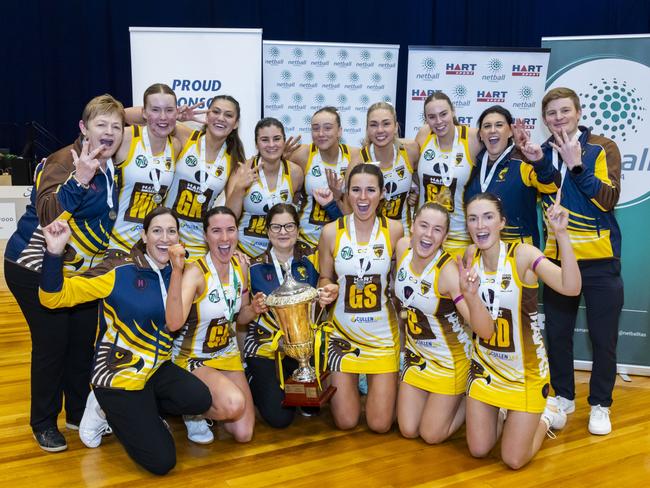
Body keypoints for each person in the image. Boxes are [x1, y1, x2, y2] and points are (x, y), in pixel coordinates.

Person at [39, 207, 212, 475]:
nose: (164, 238)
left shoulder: (181, 272)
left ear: (180, 238)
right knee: (162, 461)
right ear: (144, 235)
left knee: (199, 398)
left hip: (156, 369)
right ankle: (103, 405)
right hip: (118, 375)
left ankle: (140, 413)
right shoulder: (118, 270)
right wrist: (53, 253)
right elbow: (53, 298)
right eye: (156, 231)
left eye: (171, 231)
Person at [3, 94, 124, 452]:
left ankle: (76, 413)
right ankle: (43, 422)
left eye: (116, 127)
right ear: (83, 129)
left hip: (79, 276)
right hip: (35, 267)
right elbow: (46, 214)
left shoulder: (110, 163)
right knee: (52, 345)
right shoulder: (62, 161)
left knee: (81, 345)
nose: (109, 132)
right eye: (100, 125)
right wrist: (79, 180)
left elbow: (129, 117)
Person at [464, 191, 581, 469]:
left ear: (502, 222)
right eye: (473, 219)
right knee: (479, 449)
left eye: (488, 217)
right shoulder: (470, 256)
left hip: (524, 372)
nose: (480, 226)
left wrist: (562, 235)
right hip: (486, 368)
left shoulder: (523, 255)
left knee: (513, 460)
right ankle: (508, 414)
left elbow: (571, 287)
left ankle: (546, 415)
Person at [534, 87, 624, 435]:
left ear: (578, 112)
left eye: (564, 111)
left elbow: (608, 200)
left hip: (600, 259)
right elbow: (546, 191)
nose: (558, 118)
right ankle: (564, 396)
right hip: (558, 259)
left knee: (604, 338)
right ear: (545, 119)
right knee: (557, 334)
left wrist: (577, 165)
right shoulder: (541, 153)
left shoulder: (602, 147)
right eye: (552, 113)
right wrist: (543, 164)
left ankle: (600, 405)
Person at [394, 203, 493, 444]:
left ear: (445, 237)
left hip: (450, 361)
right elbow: (403, 306)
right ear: (413, 226)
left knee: (431, 434)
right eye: (424, 226)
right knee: (407, 429)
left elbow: (484, 330)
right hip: (417, 357)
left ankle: (475, 399)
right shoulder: (402, 248)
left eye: (437, 230)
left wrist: (470, 295)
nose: (428, 234)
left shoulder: (448, 272)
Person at [318, 163, 403, 433]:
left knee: (379, 425)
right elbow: (324, 277)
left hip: (382, 335)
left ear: (382, 193)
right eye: (355, 190)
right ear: (346, 193)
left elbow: (401, 283)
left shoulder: (396, 230)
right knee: (346, 422)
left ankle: (396, 388)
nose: (363, 198)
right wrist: (327, 288)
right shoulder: (331, 231)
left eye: (370, 190)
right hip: (343, 335)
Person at [165, 207, 257, 444]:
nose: (225, 238)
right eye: (216, 231)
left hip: (226, 353)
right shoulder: (195, 272)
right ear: (205, 236)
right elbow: (173, 323)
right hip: (194, 357)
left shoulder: (240, 267)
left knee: (244, 433)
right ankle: (192, 409)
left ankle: (209, 399)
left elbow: (240, 318)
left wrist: (254, 309)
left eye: (230, 230)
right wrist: (177, 271)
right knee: (233, 404)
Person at [242, 203, 338, 428]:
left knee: (311, 407)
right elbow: (240, 318)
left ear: (297, 229)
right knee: (280, 418)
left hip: (302, 344)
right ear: (267, 231)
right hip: (266, 346)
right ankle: (253, 378)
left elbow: (328, 286)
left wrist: (328, 293)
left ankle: (293, 379)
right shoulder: (251, 266)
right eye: (276, 227)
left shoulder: (311, 258)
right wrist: (253, 308)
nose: (282, 232)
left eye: (288, 226)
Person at [127, 95, 246, 259]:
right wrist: (172, 115)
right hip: (166, 239)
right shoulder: (186, 137)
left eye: (228, 115)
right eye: (216, 112)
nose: (221, 118)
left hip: (198, 246)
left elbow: (230, 214)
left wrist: (240, 189)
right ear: (207, 116)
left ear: (236, 123)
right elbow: (124, 115)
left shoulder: (234, 161)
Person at [464, 105, 560, 246]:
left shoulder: (523, 161)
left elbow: (551, 186)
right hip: (482, 249)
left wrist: (539, 161)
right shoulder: (474, 165)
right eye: (487, 126)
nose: (492, 130)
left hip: (518, 251)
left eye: (499, 125)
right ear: (480, 135)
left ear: (510, 131)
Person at [109, 83, 182, 252]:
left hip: (151, 246)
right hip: (115, 243)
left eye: (169, 110)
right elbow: (103, 121)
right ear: (143, 112)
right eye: (155, 109)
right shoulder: (126, 137)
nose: (163, 117)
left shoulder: (176, 146)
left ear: (177, 113)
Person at [415, 92, 482, 256]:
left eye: (443, 114)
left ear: (453, 111)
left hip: (459, 238)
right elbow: (412, 167)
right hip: (425, 236)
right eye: (432, 117)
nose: (438, 121)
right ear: (426, 119)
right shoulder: (424, 135)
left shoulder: (472, 137)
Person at [226, 118, 304, 257]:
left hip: (281, 254)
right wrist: (239, 188)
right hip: (246, 253)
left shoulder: (295, 172)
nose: (271, 144)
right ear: (256, 143)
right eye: (265, 140)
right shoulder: (243, 171)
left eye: (277, 139)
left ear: (284, 141)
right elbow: (228, 217)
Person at [288, 107, 361, 246]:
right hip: (306, 239)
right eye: (315, 128)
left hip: (341, 238)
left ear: (339, 131)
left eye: (328, 128)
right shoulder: (302, 154)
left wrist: (339, 197)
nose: (321, 134)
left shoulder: (354, 155)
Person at [360, 102, 419, 235]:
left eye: (386, 124)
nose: (380, 130)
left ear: (396, 127)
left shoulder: (410, 151)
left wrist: (415, 194)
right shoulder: (359, 161)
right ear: (367, 129)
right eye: (373, 125)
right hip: (372, 238)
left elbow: (422, 183)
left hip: (405, 237)